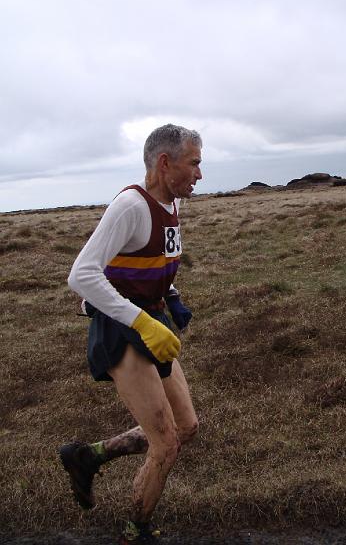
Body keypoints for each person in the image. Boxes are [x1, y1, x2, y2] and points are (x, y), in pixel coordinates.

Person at [60, 124, 203, 544]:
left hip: (152, 322)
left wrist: (171, 295)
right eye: (193, 162)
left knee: (186, 426)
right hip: (121, 329)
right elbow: (81, 275)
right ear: (164, 163)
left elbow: (152, 261)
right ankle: (134, 532)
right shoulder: (130, 207)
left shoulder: (171, 206)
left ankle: (88, 457)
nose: (199, 173)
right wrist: (140, 321)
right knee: (166, 443)